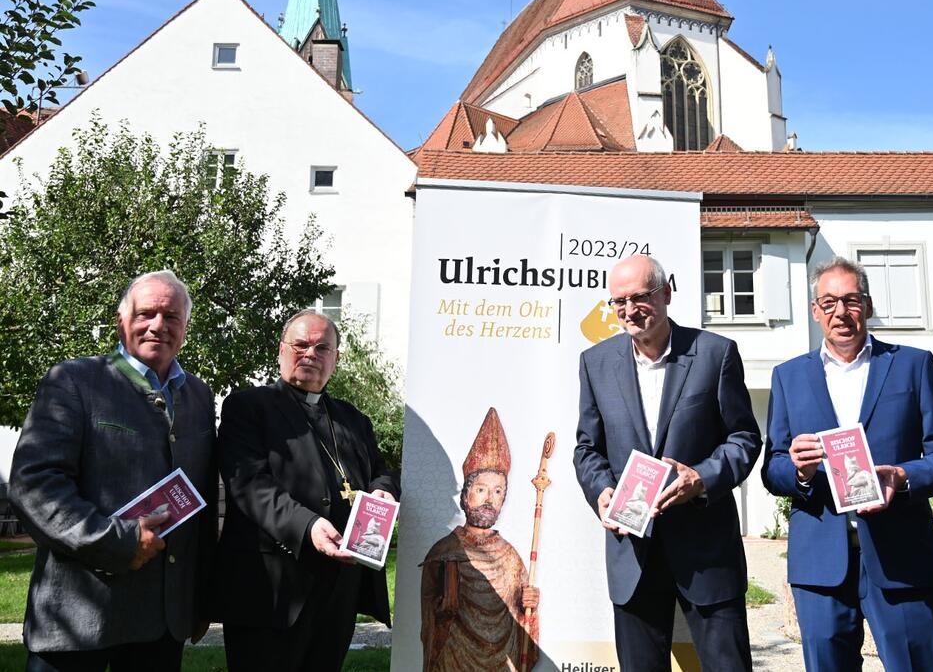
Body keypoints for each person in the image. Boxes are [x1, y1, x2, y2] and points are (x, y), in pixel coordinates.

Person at [9, 270, 217, 672]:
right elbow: (34, 486)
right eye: (146, 314)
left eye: (172, 316)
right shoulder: (74, 381)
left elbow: (201, 500)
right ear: (121, 322)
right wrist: (118, 542)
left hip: (162, 623)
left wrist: (200, 597)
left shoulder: (198, 395)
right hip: (79, 621)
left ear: (186, 327)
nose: (158, 325)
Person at [573, 254, 761, 672]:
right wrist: (602, 491)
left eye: (639, 297)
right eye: (618, 301)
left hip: (707, 551)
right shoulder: (596, 363)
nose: (629, 309)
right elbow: (587, 448)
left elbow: (745, 438)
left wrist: (702, 478)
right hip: (633, 556)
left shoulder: (716, 354)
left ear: (666, 294)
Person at [762, 256, 933, 671]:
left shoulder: (912, 365)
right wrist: (800, 472)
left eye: (850, 300)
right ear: (815, 311)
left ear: (867, 304)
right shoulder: (788, 376)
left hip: (899, 556)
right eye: (828, 303)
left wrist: (902, 477)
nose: (840, 313)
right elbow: (772, 466)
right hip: (820, 562)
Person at [215, 310, 400, 672]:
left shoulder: (352, 419)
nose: (310, 354)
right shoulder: (248, 407)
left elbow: (381, 471)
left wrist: (383, 493)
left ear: (336, 359)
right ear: (281, 351)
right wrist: (308, 525)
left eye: (322, 347)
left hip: (340, 590)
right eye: (300, 345)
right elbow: (249, 484)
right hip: (272, 588)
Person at [420, 407, 540, 671]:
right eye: (481, 489)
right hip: (453, 659)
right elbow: (429, 621)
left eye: (498, 491)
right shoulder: (443, 552)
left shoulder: (510, 557)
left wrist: (527, 603)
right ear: (466, 494)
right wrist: (443, 608)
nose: (489, 499)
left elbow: (522, 619)